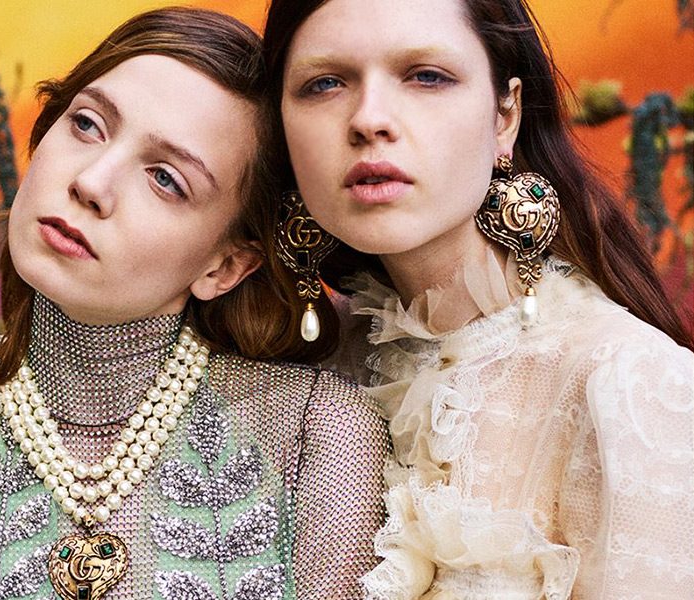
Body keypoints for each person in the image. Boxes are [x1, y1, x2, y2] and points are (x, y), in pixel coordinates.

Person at [0, 8, 389, 600]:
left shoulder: (317, 431)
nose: (91, 182)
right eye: (87, 124)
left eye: (166, 179)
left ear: (225, 266)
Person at [262, 0, 694, 597]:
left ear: (505, 115)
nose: (369, 120)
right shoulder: (293, 372)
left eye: (426, 76)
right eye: (325, 84)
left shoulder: (627, 383)